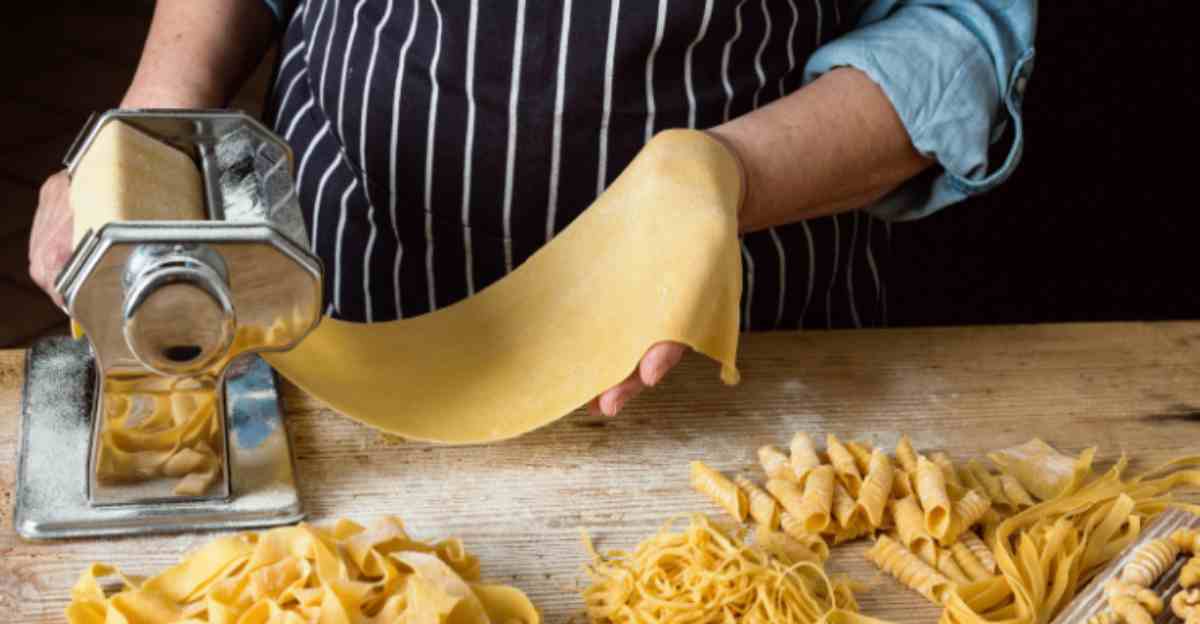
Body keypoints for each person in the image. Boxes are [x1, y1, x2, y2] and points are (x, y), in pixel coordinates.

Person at [28, 0, 1036, 416]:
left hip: (727, 364)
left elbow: (960, 29)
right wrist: (152, 137)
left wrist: (726, 174)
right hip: (337, 312)